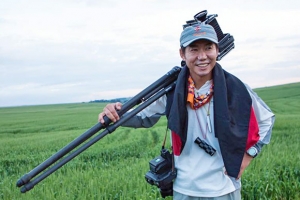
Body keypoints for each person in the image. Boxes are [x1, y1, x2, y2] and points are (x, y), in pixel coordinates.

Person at [98, 22, 275, 200]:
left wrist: (248, 155)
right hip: (184, 190)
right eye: (194, 49)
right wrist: (115, 112)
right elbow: (142, 116)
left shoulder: (236, 88)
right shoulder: (172, 91)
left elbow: (266, 120)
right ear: (182, 53)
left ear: (217, 50)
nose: (202, 56)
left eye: (208, 48)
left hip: (225, 189)